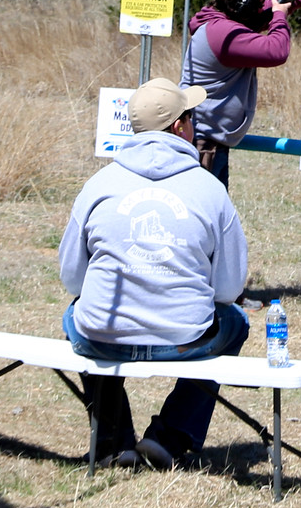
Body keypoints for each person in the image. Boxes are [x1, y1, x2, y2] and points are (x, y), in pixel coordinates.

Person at [60, 77, 249, 471]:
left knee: (76, 314)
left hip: (104, 339)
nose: (195, 125)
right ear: (180, 126)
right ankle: (171, 436)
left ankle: (113, 441)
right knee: (236, 321)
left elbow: (72, 280)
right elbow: (229, 289)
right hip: (184, 340)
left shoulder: (98, 185)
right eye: (191, 116)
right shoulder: (210, 190)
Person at [182, 0, 301, 185]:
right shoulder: (224, 33)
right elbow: (276, 50)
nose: (260, 8)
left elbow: (268, 8)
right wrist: (279, 16)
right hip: (204, 142)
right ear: (243, 7)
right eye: (256, 4)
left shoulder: (216, 21)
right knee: (203, 214)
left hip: (205, 136)